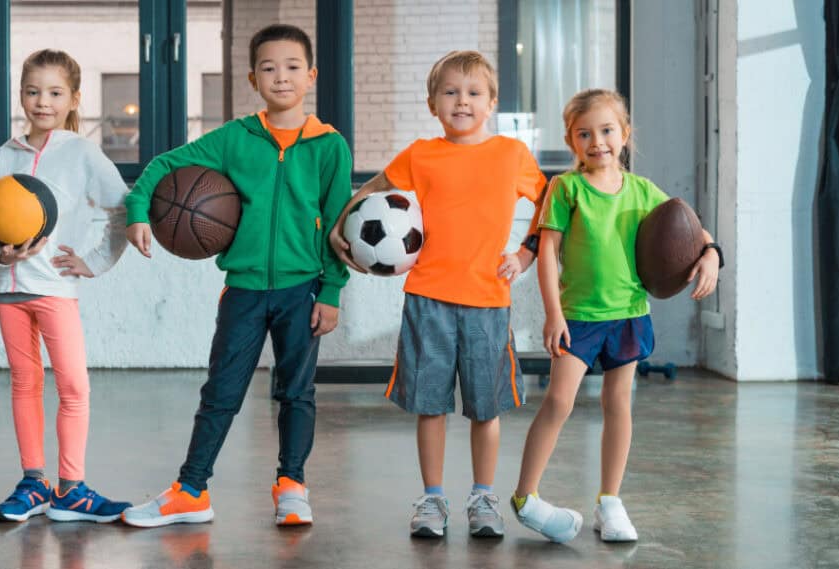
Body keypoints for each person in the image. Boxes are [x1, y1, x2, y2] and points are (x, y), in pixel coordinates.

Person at [121, 24, 353, 528]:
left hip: (302, 289)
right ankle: (191, 490)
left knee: (297, 392)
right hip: (244, 290)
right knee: (222, 392)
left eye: (292, 67)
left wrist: (332, 291)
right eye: (268, 68)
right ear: (253, 78)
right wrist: (139, 210)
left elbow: (339, 225)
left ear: (310, 75)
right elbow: (164, 165)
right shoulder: (235, 138)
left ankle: (292, 485)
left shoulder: (329, 146)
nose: (281, 77)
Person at [330, 50, 546, 538]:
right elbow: (372, 190)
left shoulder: (511, 155)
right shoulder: (420, 154)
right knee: (430, 405)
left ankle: (483, 496)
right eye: (450, 92)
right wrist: (340, 225)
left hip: (489, 301)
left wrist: (526, 254)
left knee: (484, 407)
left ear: (491, 103)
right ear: (432, 103)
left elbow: (550, 204)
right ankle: (432, 499)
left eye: (473, 93)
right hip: (427, 298)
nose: (461, 102)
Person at [511, 88, 722, 543]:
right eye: (584, 133)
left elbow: (693, 229)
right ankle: (525, 496)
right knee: (560, 402)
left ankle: (610, 501)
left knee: (618, 404)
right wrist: (552, 314)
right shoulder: (565, 189)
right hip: (579, 317)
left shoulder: (643, 191)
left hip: (629, 314)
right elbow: (546, 255)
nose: (597, 141)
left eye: (607, 130)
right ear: (571, 141)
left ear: (624, 134)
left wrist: (711, 255)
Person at [0, 48, 131, 523]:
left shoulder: (83, 153)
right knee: (25, 383)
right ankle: (33, 483)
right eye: (32, 91)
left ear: (73, 98)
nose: (42, 101)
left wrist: (95, 262)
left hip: (55, 289)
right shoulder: (5, 155)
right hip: (8, 287)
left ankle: (72, 488)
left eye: (54, 92)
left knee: (73, 386)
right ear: (21, 95)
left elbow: (123, 209)